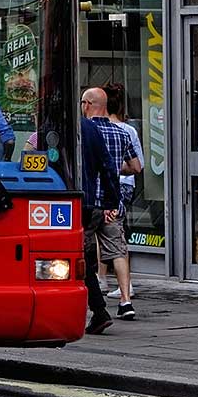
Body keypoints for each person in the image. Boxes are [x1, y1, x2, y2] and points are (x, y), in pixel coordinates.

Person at [81, 87, 143, 320]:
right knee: (117, 249)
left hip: (88, 201)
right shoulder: (121, 133)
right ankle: (126, 300)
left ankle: (97, 293)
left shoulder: (85, 131)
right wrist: (116, 168)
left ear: (87, 104)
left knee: (86, 252)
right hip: (110, 202)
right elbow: (136, 167)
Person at [98, 81, 146, 318]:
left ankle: (100, 280)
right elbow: (138, 165)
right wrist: (119, 169)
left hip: (103, 192)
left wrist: (108, 170)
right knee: (117, 237)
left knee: (101, 235)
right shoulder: (127, 130)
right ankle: (124, 291)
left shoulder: (91, 129)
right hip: (122, 189)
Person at [80, 111, 123, 335]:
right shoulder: (90, 128)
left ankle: (98, 311)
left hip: (60, 202)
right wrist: (111, 200)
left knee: (79, 259)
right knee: (84, 258)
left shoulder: (50, 127)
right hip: (87, 202)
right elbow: (107, 165)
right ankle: (98, 311)